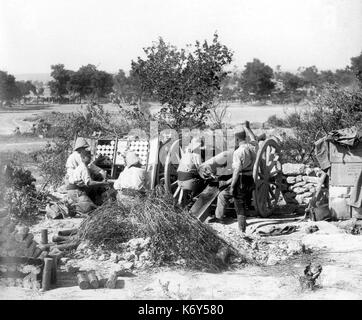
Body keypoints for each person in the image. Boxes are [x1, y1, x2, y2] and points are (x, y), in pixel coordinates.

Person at [214, 121, 258, 233]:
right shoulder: (253, 147)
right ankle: (241, 225)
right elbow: (254, 139)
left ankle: (239, 229)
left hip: (241, 180)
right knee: (243, 202)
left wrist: (232, 185)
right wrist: (248, 128)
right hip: (250, 179)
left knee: (231, 200)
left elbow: (237, 171)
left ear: (237, 139)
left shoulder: (238, 152)